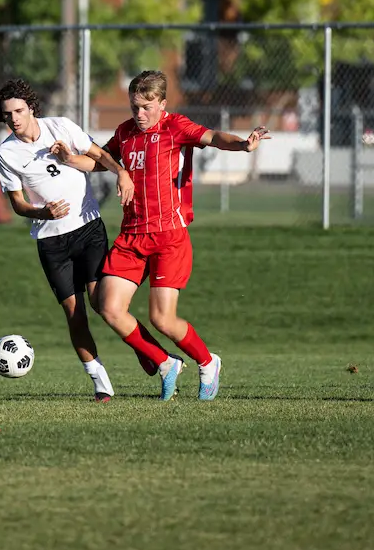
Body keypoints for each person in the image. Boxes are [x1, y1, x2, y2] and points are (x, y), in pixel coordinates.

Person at [83, 70, 269, 402]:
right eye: (135, 106)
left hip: (168, 236)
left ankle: (208, 362)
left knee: (162, 318)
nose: (140, 113)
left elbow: (214, 137)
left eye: (146, 107)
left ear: (162, 104)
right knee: (109, 308)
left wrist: (243, 144)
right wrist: (66, 158)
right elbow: (102, 160)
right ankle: (166, 363)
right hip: (132, 236)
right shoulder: (125, 132)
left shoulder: (176, 127)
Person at [0, 78, 133, 401]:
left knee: (102, 303)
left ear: (31, 107)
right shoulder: (7, 153)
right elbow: (17, 204)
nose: (14, 118)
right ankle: (101, 383)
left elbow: (100, 155)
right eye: (7, 114)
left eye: (19, 111)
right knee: (74, 313)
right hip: (51, 241)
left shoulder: (61, 127)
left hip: (87, 227)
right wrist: (43, 213)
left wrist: (120, 172)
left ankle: (150, 354)